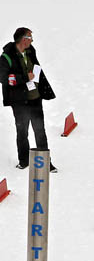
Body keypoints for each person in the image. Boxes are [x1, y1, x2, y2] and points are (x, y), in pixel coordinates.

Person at [1, 27, 57, 171]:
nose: (31, 40)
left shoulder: (31, 51)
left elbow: (36, 67)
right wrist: (26, 78)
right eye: (30, 37)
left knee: (40, 130)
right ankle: (24, 160)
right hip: (19, 102)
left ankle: (46, 162)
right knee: (22, 131)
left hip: (35, 98)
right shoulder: (6, 57)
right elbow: (4, 78)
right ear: (23, 39)